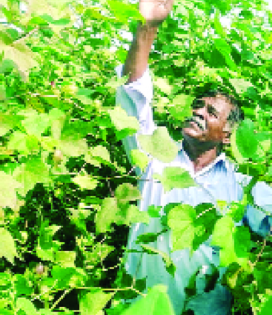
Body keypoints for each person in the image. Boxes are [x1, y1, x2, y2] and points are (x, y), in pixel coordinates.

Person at [116, 1, 272, 314]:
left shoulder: (242, 187)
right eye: (197, 105)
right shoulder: (155, 155)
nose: (198, 111)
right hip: (140, 306)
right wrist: (147, 27)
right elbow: (133, 98)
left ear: (227, 135)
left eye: (210, 111)